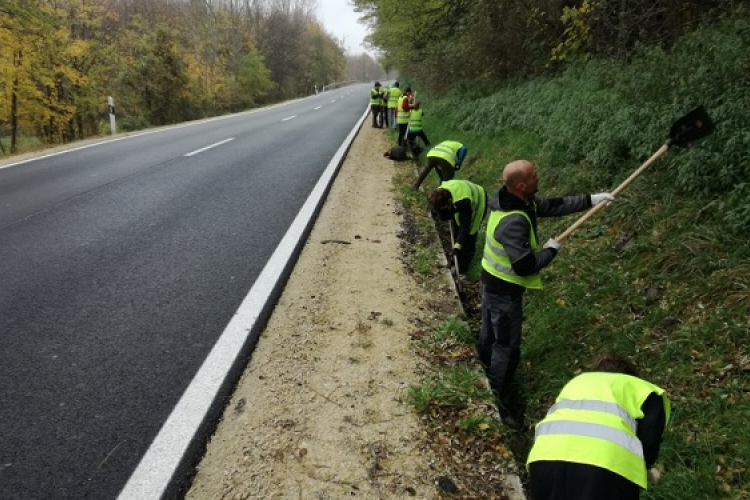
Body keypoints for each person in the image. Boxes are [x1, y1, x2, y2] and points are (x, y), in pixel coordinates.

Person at [478, 159, 614, 429]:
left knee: (490, 337)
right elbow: (524, 265)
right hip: (503, 291)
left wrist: (592, 199)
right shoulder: (513, 221)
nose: (538, 177)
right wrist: (549, 252)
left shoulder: (515, 201)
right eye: (533, 175)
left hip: (492, 283)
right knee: (506, 347)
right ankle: (495, 403)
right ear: (521, 184)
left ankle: (481, 371)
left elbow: (554, 205)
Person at [527, 354, 671, 500]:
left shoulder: (576, 383)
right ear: (631, 376)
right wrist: (644, 467)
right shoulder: (640, 389)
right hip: (605, 468)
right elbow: (649, 439)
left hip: (543, 461)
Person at [429, 179, 487, 274]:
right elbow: (443, 214)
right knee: (456, 227)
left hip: (478, 200)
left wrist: (458, 246)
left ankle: (462, 269)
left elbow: (465, 225)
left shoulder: (463, 202)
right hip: (459, 198)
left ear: (449, 201)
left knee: (469, 235)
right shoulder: (439, 195)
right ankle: (454, 261)